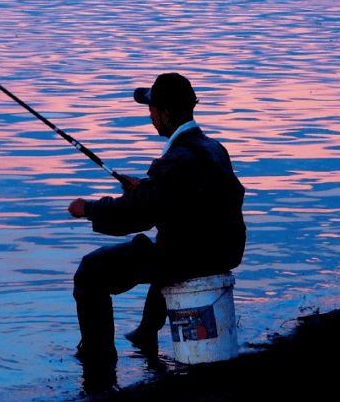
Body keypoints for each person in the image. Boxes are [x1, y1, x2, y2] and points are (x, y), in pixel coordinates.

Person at [66, 72, 246, 370]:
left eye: (152, 110)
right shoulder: (213, 148)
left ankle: (98, 360)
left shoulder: (178, 157)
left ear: (165, 114)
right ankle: (146, 334)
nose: (149, 116)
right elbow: (197, 201)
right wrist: (149, 188)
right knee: (164, 248)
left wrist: (89, 208)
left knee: (90, 272)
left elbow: (134, 216)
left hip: (196, 255)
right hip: (224, 250)